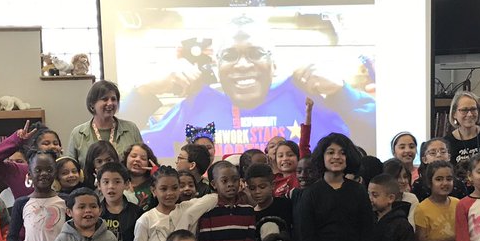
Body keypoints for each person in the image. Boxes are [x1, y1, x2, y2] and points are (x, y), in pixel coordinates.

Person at [128, 22, 375, 156]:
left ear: (274, 63)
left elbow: (379, 133)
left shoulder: (304, 98)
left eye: (256, 54)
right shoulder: (196, 105)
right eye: (230, 55)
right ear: (216, 65)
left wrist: (343, 94)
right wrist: (144, 92)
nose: (243, 65)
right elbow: (126, 148)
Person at [293, 133, 374, 241]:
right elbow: (307, 236)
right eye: (330, 152)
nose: (336, 157)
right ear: (322, 157)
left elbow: (367, 231)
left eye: (342, 153)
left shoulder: (358, 191)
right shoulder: (311, 193)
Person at [65, 79, 145, 164]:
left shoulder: (131, 129)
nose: (110, 103)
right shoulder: (78, 134)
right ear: (92, 104)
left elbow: (143, 159)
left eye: (113, 99)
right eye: (105, 99)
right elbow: (70, 167)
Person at [0, 120, 63, 199]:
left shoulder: (66, 168)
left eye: (56, 143)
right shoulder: (18, 171)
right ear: (34, 147)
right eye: (46, 143)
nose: (52, 146)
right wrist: (17, 140)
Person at [197, 160, 256, 241]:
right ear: (214, 184)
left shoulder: (248, 211)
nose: (230, 184)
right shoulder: (208, 212)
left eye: (235, 180)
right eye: (224, 181)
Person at [414, 159, 459, 241]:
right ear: (430, 183)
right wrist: (449, 240)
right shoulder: (422, 208)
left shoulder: (458, 203)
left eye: (449, 179)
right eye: (439, 179)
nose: (445, 183)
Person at [122, 143, 157, 211]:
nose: (137, 159)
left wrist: (159, 176)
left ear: (149, 163)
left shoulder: (154, 185)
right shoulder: (118, 183)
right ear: (126, 159)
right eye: (133, 156)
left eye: (143, 158)